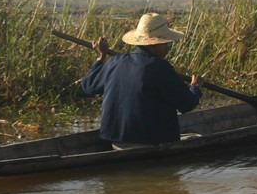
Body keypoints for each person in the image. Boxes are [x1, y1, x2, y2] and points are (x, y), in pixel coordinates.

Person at [81, 12, 204, 147]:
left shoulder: (114, 62)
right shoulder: (160, 68)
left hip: (113, 140)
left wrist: (101, 57)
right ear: (154, 44)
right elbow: (187, 104)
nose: (168, 48)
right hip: (149, 141)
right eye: (165, 43)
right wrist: (195, 87)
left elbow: (88, 85)